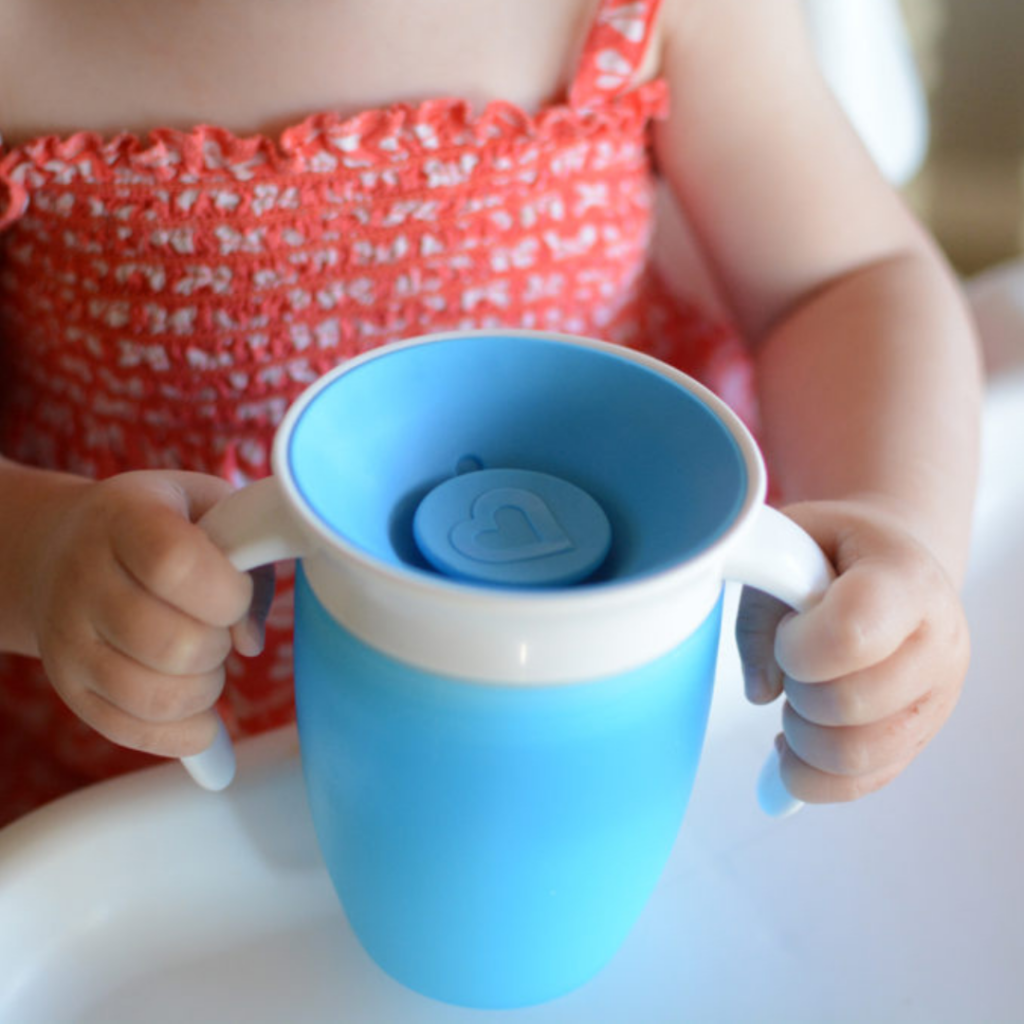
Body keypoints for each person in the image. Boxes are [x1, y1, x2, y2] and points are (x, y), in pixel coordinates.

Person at [0, 0, 980, 827]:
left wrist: (888, 528)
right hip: (158, 798)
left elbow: (843, 286)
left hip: (615, 754)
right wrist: (42, 557)